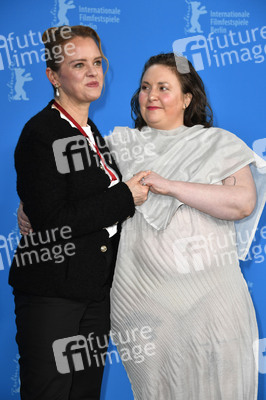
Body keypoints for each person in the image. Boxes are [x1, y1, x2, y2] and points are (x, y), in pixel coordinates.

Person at [105, 53, 266, 399]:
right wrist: (32, 206)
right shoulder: (118, 146)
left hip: (213, 299)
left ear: (187, 98)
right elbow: (79, 196)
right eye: (145, 87)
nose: (151, 96)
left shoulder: (218, 143)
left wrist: (172, 186)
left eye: (164, 87)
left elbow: (242, 202)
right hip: (143, 303)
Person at [9, 25, 149, 400]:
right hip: (53, 294)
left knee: (84, 393)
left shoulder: (91, 132)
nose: (93, 72)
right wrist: (125, 196)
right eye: (78, 64)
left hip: (93, 293)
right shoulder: (42, 132)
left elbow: (67, 203)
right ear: (53, 76)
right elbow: (54, 221)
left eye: (97, 62)